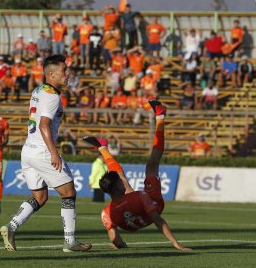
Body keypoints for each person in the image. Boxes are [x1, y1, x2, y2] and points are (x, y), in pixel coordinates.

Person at [0, 54, 91, 252]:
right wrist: (54, 153)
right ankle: (70, 241)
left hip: (28, 151)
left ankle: (11, 226)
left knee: (40, 198)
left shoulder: (39, 90)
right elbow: (44, 125)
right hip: (42, 151)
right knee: (69, 193)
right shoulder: (52, 96)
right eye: (64, 71)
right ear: (51, 74)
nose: (68, 74)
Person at [82, 100, 192, 251]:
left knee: (127, 175)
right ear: (117, 187)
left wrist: (120, 245)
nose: (122, 182)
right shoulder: (139, 196)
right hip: (154, 203)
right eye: (119, 183)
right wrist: (176, 244)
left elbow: (116, 239)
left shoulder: (105, 212)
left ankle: (102, 147)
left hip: (140, 211)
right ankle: (160, 116)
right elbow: (158, 220)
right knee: (152, 165)